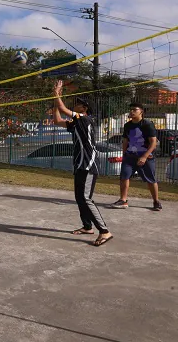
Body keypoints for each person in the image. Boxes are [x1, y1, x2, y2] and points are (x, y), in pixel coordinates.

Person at [53, 80, 113, 246]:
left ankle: (105, 231)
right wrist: (54, 102)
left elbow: (64, 110)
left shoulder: (85, 119)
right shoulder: (76, 122)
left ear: (84, 108)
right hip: (80, 164)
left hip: (88, 164)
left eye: (78, 104)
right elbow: (57, 120)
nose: (75, 105)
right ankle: (88, 227)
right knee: (80, 198)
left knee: (86, 198)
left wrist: (57, 93)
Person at [111, 103, 162, 211]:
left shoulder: (147, 124)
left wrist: (144, 156)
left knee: (151, 180)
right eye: (131, 110)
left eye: (135, 109)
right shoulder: (127, 125)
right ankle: (123, 200)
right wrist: (125, 154)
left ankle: (156, 201)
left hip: (145, 157)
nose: (132, 111)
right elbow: (125, 141)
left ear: (141, 112)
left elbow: (153, 143)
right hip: (130, 156)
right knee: (124, 177)